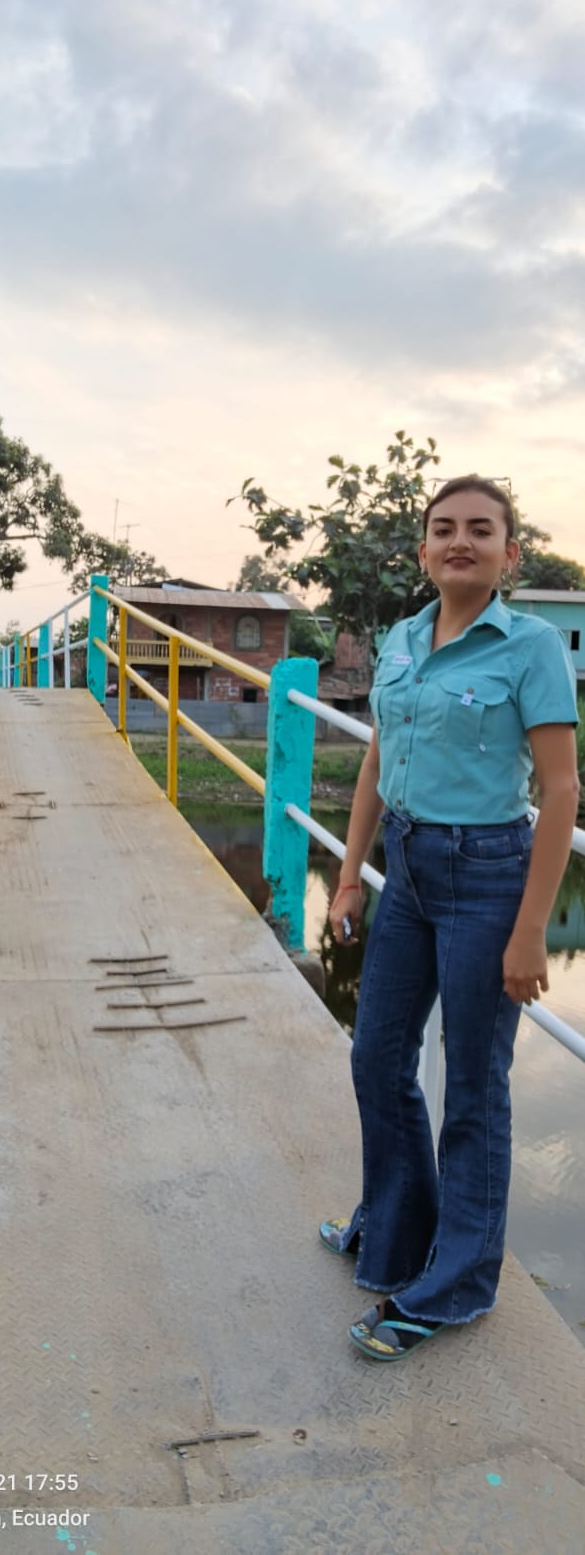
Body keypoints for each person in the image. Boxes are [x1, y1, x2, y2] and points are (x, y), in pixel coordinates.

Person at [323, 475, 580, 1362]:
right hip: (406, 869)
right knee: (376, 1056)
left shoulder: (530, 646)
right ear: (423, 550)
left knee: (472, 1083)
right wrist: (348, 877)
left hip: (487, 875)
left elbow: (559, 791)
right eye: (442, 529)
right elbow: (376, 763)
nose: (458, 541)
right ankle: (396, 1230)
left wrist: (529, 930)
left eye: (479, 528)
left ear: (510, 553)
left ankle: (459, 1281)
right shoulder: (400, 639)